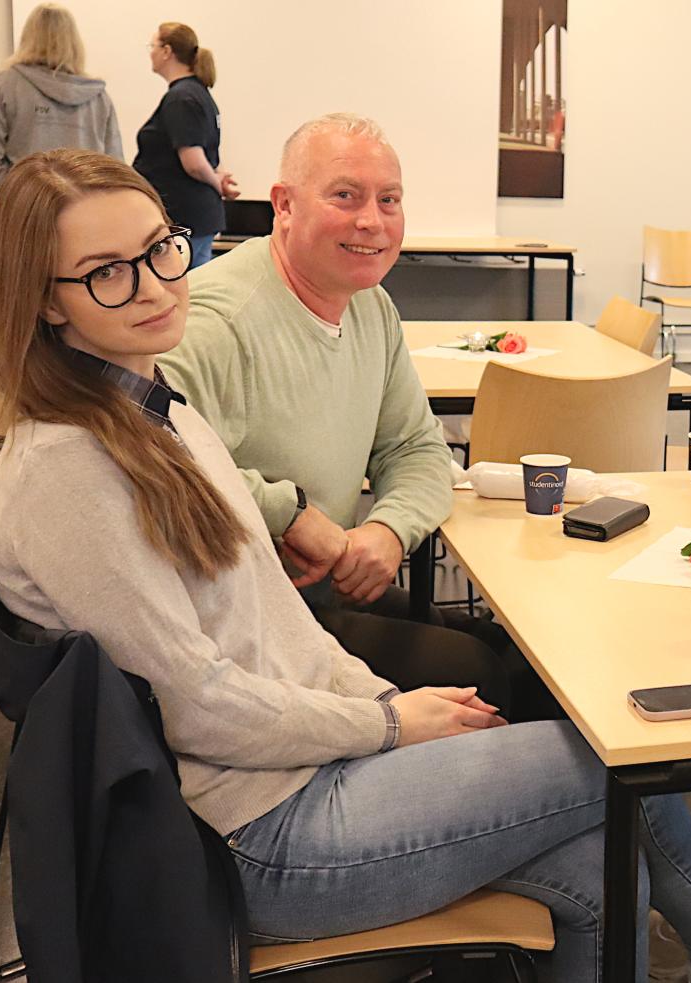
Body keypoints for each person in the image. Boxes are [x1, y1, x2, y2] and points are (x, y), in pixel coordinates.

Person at [0, 147, 691, 982]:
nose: (153, 285)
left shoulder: (150, 406)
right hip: (248, 834)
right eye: (107, 272)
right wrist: (385, 726)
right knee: (610, 756)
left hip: (290, 772)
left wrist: (384, 706)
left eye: (160, 249)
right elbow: (196, 700)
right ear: (46, 300)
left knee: (595, 866)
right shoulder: (69, 467)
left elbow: (276, 623)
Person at [156, 113, 537, 716]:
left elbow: (415, 449)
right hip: (240, 624)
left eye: (389, 200)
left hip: (322, 589)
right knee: (483, 674)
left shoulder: (370, 306)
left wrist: (388, 530)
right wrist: (288, 514)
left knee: (522, 656)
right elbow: (156, 463)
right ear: (284, 205)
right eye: (345, 196)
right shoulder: (216, 323)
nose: (372, 221)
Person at [0, 3, 121, 191]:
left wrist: (9, 191)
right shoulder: (98, 97)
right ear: (73, 42)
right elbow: (115, 163)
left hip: (25, 198)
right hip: (84, 200)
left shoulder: (6, 84)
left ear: (28, 37)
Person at [134, 22, 238, 269]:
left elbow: (194, 162)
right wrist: (217, 178)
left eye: (152, 46)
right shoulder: (197, 93)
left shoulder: (181, 98)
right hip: (196, 215)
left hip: (183, 216)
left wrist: (217, 183)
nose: (150, 53)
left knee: (183, 284)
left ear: (167, 51)